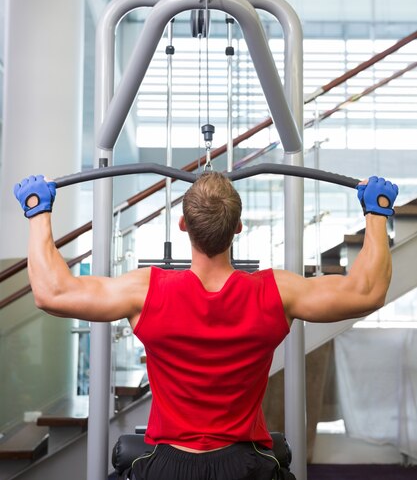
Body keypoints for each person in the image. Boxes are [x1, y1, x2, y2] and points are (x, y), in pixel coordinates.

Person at [14, 172, 398, 480]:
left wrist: (38, 214)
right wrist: (376, 214)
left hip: (167, 468)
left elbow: (52, 292)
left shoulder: (146, 290)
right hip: (244, 468)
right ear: (238, 228)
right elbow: (365, 292)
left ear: (183, 225)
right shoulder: (276, 292)